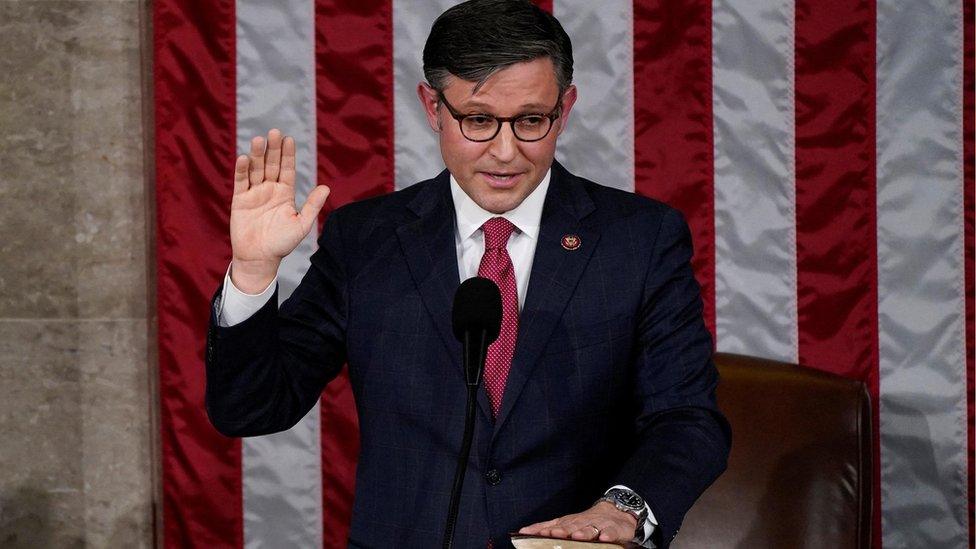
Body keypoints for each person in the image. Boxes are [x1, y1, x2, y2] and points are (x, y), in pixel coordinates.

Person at [205, 1, 730, 547]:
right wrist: (252, 270)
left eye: (531, 120)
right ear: (432, 107)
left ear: (565, 108)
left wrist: (623, 509)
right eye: (478, 120)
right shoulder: (365, 241)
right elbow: (253, 408)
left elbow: (688, 418)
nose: (505, 153)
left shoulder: (639, 240)